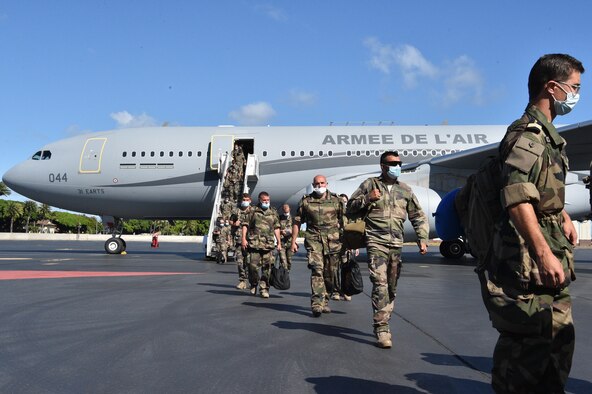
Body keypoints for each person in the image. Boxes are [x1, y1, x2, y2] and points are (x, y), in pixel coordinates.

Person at [479, 54, 583, 393]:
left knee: (556, 343)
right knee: (527, 350)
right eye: (575, 88)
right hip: (527, 261)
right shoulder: (529, 134)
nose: (578, 95)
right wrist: (543, 253)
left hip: (550, 252)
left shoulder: (548, 136)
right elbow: (516, 195)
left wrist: (562, 215)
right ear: (552, 88)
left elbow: (538, 190)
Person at [347, 151, 428, 348]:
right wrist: (367, 198)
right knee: (380, 283)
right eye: (393, 163)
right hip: (376, 241)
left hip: (396, 244)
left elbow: (417, 215)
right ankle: (382, 329)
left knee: (391, 286)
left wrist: (422, 238)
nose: (397, 166)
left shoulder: (405, 190)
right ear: (383, 166)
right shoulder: (370, 185)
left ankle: (384, 313)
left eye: (399, 163)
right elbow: (350, 207)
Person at [291, 175, 344, 317]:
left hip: (333, 242)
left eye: (322, 183)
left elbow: (344, 222)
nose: (319, 185)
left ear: (326, 183)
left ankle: (325, 300)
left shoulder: (336, 200)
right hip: (314, 240)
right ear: (313, 185)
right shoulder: (306, 201)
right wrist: (293, 241)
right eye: (317, 183)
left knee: (330, 274)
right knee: (317, 270)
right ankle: (316, 303)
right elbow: (297, 221)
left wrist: (351, 243)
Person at [241, 191, 281, 298]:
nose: (266, 202)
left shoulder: (273, 212)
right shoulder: (252, 211)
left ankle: (264, 288)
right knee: (252, 267)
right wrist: (243, 239)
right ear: (259, 200)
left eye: (268, 200)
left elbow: (277, 228)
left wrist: (279, 242)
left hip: (268, 245)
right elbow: (245, 225)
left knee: (267, 269)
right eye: (264, 200)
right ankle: (254, 283)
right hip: (254, 244)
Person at [278, 204, 294, 270]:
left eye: (286, 207)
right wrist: (281, 231)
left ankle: (286, 274)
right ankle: (283, 275)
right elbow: (276, 228)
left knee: (289, 261)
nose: (285, 208)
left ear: (289, 209)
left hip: (290, 242)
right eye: (284, 207)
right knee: (283, 261)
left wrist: (291, 232)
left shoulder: (293, 219)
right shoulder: (279, 218)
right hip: (282, 242)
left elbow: (296, 230)